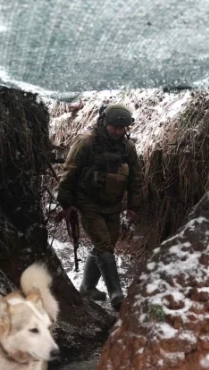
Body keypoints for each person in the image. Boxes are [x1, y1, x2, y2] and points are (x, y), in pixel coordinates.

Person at [57, 103, 142, 311]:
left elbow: (136, 178)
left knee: (107, 246)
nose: (117, 132)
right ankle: (117, 295)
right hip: (88, 203)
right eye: (114, 127)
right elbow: (69, 173)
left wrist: (133, 205)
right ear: (104, 123)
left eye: (121, 129)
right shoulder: (86, 143)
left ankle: (87, 287)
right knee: (104, 245)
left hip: (113, 205)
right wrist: (66, 204)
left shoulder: (127, 148)